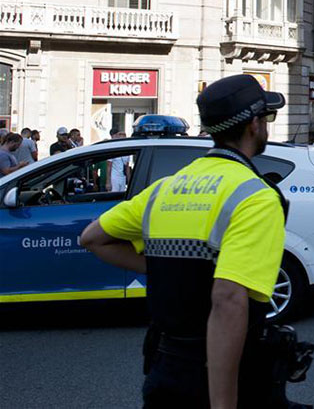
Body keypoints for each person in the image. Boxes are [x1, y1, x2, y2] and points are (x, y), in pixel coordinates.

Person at [81, 75, 288, 408]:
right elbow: (228, 299)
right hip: (224, 373)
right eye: (267, 118)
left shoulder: (164, 188)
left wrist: (167, 269)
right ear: (253, 124)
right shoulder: (255, 196)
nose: (266, 126)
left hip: (164, 369)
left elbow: (93, 238)